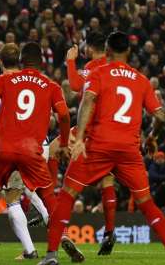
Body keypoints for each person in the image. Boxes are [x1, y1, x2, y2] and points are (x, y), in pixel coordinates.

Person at [39, 32, 165, 265]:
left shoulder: (98, 72)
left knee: (67, 196)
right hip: (129, 151)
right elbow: (161, 115)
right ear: (129, 52)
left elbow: (87, 102)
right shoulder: (141, 79)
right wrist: (152, 135)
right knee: (146, 202)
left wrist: (80, 137)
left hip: (98, 146)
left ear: (108, 50)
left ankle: (51, 256)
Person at [0, 42, 71, 264]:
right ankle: (56, 246)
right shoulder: (51, 85)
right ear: (42, 61)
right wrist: (64, 143)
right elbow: (65, 116)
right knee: (48, 195)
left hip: (4, 148)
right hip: (33, 150)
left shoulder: (4, 80)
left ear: (21, 61)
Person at [50, 31, 119, 256]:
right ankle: (109, 232)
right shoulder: (115, 67)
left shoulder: (92, 66)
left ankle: (49, 210)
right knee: (107, 180)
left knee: (53, 155)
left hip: (87, 132)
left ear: (89, 48)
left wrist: (70, 60)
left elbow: (75, 85)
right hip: (111, 133)